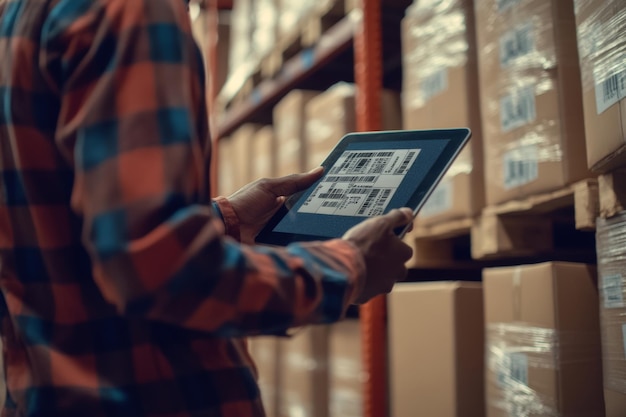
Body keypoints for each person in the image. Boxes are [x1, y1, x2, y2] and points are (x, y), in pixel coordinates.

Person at [0, 0, 414, 415]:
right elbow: (156, 268)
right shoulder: (130, 10)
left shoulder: (20, 20)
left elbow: (54, 232)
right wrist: (345, 269)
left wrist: (223, 219)